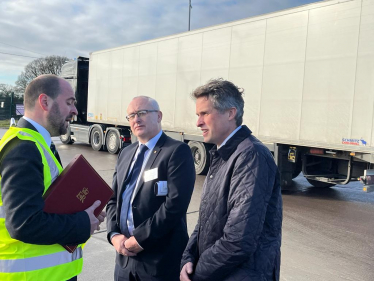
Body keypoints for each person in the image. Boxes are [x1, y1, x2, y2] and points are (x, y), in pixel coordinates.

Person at [0, 74, 106, 281]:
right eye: (69, 102)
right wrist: (83, 222)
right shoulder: (24, 148)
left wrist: (87, 213)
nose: (75, 110)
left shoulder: (37, 143)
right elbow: (24, 223)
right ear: (44, 101)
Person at [180, 79, 283, 281]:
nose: (198, 122)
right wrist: (188, 258)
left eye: (205, 114)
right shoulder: (224, 154)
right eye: (197, 115)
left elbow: (238, 239)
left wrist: (198, 274)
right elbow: (206, 221)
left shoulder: (251, 156)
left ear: (230, 113)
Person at [106, 96, 195, 281]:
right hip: (124, 261)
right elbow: (113, 199)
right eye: (131, 115)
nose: (136, 119)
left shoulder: (176, 152)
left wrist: (140, 239)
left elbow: (175, 205)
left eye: (142, 113)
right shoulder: (125, 153)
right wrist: (114, 235)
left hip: (159, 263)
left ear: (159, 116)